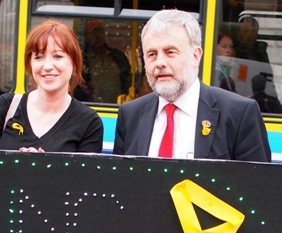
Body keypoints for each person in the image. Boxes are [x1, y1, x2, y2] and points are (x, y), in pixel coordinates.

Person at [113, 9, 271, 162]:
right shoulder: (129, 115)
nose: (159, 63)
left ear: (195, 56)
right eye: (152, 54)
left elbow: (258, 179)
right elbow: (121, 178)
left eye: (170, 52)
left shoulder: (240, 114)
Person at [0, 19, 103, 153]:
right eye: (39, 57)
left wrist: (40, 166)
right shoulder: (6, 106)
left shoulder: (89, 123)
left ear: (74, 62)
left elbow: (84, 178)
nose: (47, 66)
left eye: (57, 56)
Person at [80, 19, 131, 103]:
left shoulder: (118, 57)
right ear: (86, 36)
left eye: (100, 32)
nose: (98, 36)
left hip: (118, 106)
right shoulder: (81, 60)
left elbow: (129, 80)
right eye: (93, 33)